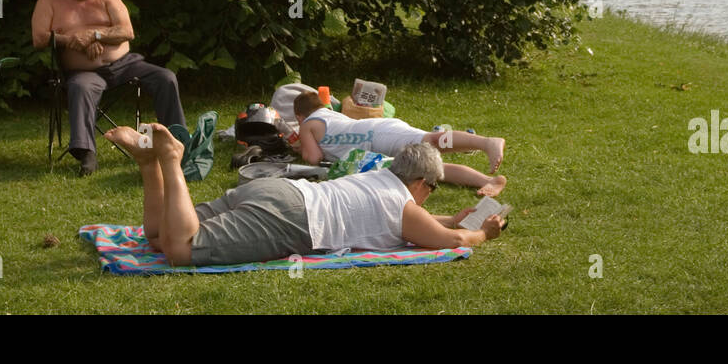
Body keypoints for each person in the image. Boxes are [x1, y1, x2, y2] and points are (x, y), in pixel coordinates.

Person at [104, 124, 506, 266]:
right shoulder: (402, 205)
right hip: (292, 218)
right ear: (422, 184)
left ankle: (147, 164)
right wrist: (481, 234)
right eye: (432, 193)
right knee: (180, 249)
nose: (429, 201)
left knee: (159, 236)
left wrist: (450, 218)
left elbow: (416, 223)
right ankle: (170, 160)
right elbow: (452, 242)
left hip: (276, 190)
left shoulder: (379, 179)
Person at [31, 0, 186, 176]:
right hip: (83, 72)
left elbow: (127, 31)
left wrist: (95, 35)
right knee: (80, 88)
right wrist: (73, 39)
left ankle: (177, 139)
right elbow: (39, 38)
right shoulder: (50, 0)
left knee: (166, 77)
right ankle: (86, 154)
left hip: (125, 64)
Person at [293, 91, 505, 195]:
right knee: (424, 166)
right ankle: (487, 181)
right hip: (374, 141)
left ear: (299, 116)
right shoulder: (329, 115)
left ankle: (486, 142)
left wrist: (300, 145)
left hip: (377, 136)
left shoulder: (307, 124)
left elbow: (313, 158)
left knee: (430, 140)